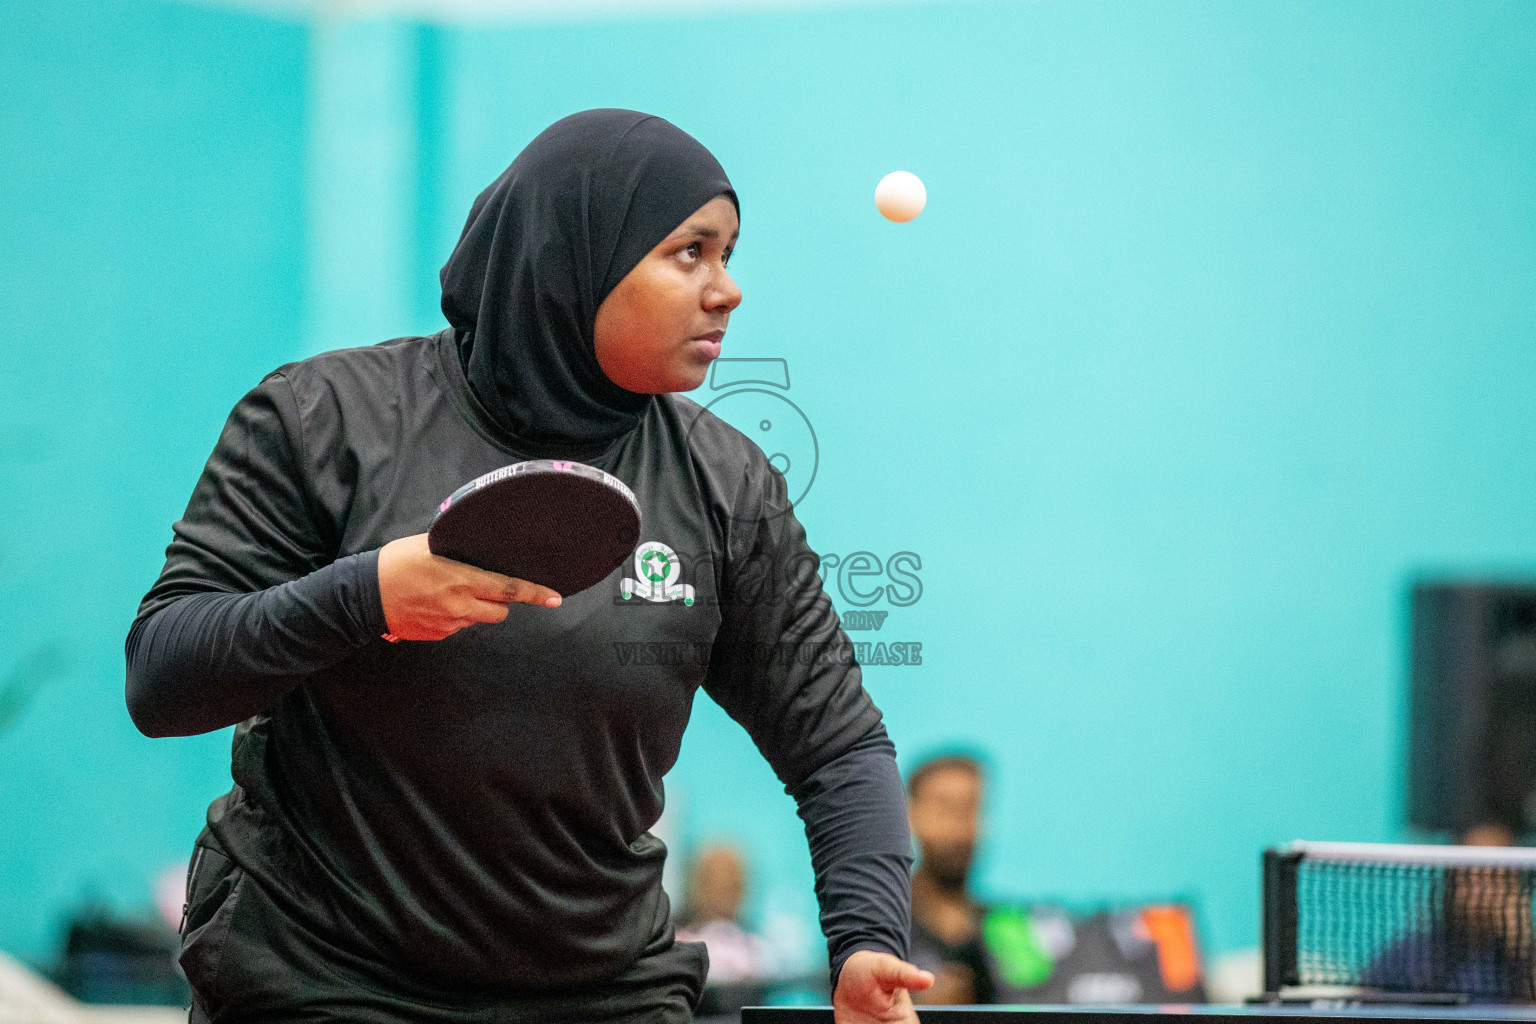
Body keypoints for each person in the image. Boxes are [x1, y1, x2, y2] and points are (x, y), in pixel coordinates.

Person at [124, 109, 932, 1023]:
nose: (727, 290)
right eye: (689, 253)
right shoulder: (321, 421)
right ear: (573, 259)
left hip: (599, 988)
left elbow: (837, 746)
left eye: (729, 254)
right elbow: (163, 678)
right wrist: (366, 595)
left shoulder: (724, 481)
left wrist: (868, 939)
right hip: (322, 976)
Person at [906, 753, 996, 1005]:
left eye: (970, 809)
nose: (958, 828)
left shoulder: (1002, 928)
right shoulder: (879, 928)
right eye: (944, 809)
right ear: (910, 816)